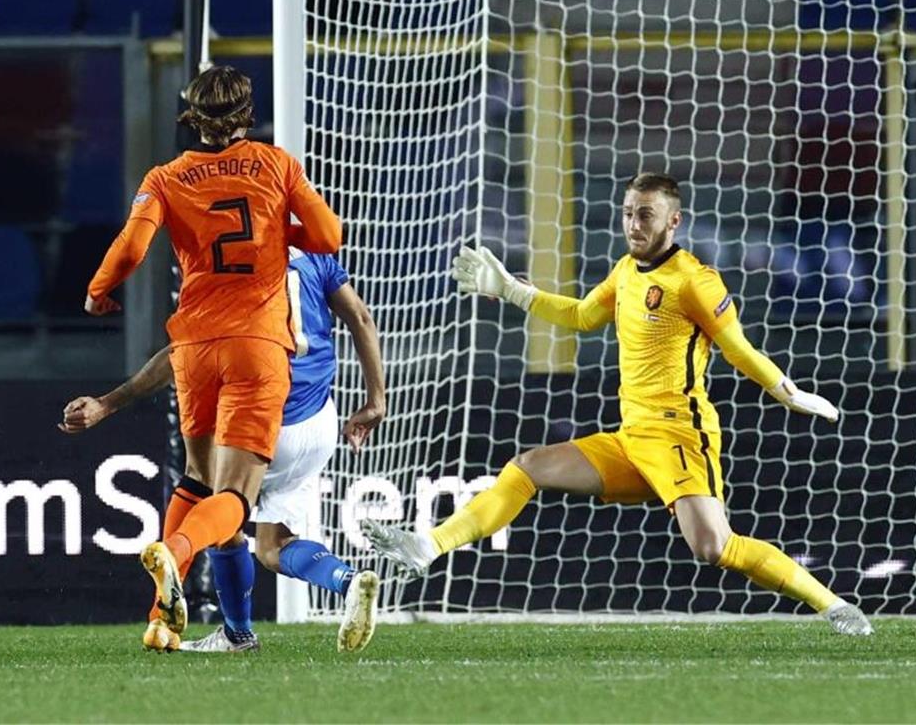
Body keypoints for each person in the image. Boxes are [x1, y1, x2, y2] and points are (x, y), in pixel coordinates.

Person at [362, 172, 873, 636]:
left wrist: (787, 391)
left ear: (673, 220)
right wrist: (514, 292)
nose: (633, 223)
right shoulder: (626, 271)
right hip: (632, 439)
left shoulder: (694, 280)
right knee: (527, 467)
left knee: (714, 548)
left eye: (645, 214)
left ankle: (834, 606)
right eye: (629, 212)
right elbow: (584, 315)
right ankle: (427, 546)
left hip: (679, 436)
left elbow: (738, 348)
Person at [83, 65, 343, 648]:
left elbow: (131, 249)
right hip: (255, 346)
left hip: (193, 347)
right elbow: (328, 237)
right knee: (235, 498)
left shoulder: (167, 177)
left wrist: (100, 291)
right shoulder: (276, 165)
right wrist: (281, 232)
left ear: (190, 115)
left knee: (198, 480)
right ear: (247, 114)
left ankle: (161, 617)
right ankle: (176, 553)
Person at [61, 247, 386, 652]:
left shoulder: (232, 264)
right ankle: (348, 580)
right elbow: (362, 317)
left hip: (264, 416)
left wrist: (109, 402)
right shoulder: (316, 260)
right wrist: (376, 401)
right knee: (273, 546)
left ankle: (222, 613)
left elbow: (182, 353)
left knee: (221, 512)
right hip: (320, 423)